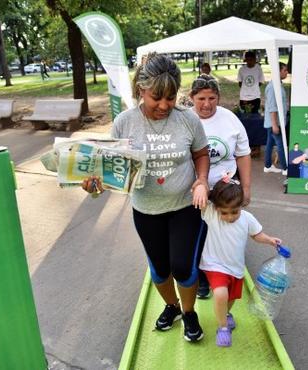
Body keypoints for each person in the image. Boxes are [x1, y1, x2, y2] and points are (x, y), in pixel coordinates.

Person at [82, 53, 210, 342]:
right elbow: (112, 172)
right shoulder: (124, 123)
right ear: (141, 90)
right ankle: (172, 307)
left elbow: (201, 154)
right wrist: (95, 186)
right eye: (157, 98)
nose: (164, 105)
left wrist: (202, 180)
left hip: (184, 207)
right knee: (160, 267)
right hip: (145, 209)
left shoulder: (188, 120)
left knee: (182, 266)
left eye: (171, 98)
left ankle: (189, 312)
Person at [189, 74, 252, 299]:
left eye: (212, 98)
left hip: (224, 187)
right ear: (191, 98)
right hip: (194, 189)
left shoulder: (230, 120)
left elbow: (243, 154)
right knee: (199, 233)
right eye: (201, 99)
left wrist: (246, 187)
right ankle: (203, 278)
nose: (207, 104)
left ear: (219, 97)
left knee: (224, 231)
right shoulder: (185, 119)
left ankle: (224, 271)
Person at [199, 176, 281, 347]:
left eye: (234, 212)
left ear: (242, 205)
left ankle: (226, 315)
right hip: (214, 265)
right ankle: (222, 328)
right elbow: (199, 197)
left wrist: (270, 240)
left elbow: (256, 234)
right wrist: (207, 187)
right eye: (225, 212)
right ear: (216, 208)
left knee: (231, 299)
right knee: (221, 294)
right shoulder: (211, 212)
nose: (229, 217)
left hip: (235, 268)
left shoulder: (247, 218)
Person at [263, 62, 289, 176]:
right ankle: (285, 168)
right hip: (275, 122)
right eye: (285, 70)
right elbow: (272, 107)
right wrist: (274, 124)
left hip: (276, 121)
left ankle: (268, 166)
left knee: (269, 144)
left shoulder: (278, 85)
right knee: (281, 145)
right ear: (278, 72)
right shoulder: (273, 87)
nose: (286, 72)